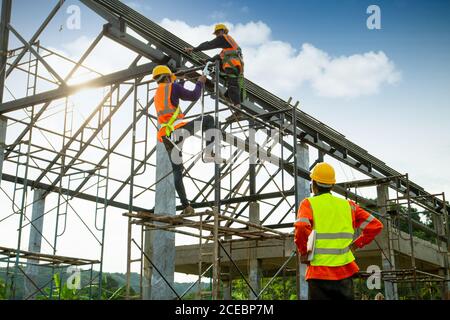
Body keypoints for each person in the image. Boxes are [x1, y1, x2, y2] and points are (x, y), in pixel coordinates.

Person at [294, 162, 383, 300]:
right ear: (332, 185)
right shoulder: (349, 206)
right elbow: (375, 225)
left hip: (318, 273)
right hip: (344, 273)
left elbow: (300, 227)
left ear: (313, 184)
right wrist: (355, 245)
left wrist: (304, 252)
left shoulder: (308, 204)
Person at [152, 65, 216, 215]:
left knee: (177, 171)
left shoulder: (159, 92)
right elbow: (193, 96)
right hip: (179, 130)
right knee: (208, 120)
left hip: (167, 136)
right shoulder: (172, 87)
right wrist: (201, 79)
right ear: (168, 77)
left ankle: (186, 206)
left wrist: (181, 80)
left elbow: (173, 97)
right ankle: (209, 152)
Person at [184, 24, 244, 117]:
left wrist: (193, 49)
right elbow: (218, 57)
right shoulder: (227, 47)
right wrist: (207, 61)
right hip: (232, 66)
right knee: (230, 89)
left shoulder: (224, 38)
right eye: (216, 34)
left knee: (233, 85)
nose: (217, 35)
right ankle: (236, 106)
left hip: (232, 65)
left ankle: (238, 108)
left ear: (223, 31)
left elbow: (209, 44)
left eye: (218, 33)